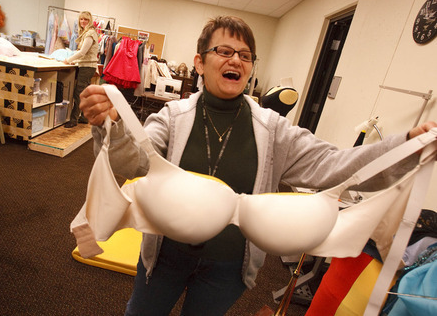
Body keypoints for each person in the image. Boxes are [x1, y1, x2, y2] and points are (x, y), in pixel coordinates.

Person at [79, 16, 437, 315]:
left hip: (227, 270)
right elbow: (134, 163)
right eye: (224, 51)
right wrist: (111, 125)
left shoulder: (274, 131)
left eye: (246, 55)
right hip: (164, 258)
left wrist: (404, 147)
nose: (236, 60)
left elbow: (337, 165)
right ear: (200, 62)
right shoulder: (172, 117)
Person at [63, 11, 99, 128]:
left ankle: (73, 120)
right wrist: (76, 60)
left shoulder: (90, 34)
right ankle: (83, 117)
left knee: (78, 94)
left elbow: (83, 52)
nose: (83, 21)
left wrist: (68, 60)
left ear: (90, 21)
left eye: (86, 20)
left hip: (87, 68)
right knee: (85, 94)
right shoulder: (87, 32)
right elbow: (85, 53)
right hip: (87, 66)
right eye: (81, 19)